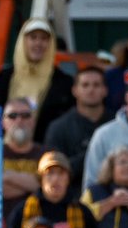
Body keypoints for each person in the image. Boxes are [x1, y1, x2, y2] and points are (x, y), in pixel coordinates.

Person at [0, 18, 75, 142]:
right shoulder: (4, 78)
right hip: (5, 151)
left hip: (45, 152)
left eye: (44, 38)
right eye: (33, 37)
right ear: (22, 41)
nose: (38, 43)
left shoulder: (63, 82)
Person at [44, 66, 114, 198]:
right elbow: (54, 170)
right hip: (71, 200)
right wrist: (93, 154)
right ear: (74, 91)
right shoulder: (58, 127)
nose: (91, 90)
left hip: (115, 197)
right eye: (85, 85)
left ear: (105, 91)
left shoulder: (118, 124)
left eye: (96, 85)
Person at [0, 98, 46, 225]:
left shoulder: (47, 154)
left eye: (25, 115)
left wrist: (6, 176)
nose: (19, 121)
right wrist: (33, 184)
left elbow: (48, 187)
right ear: (3, 122)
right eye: (12, 116)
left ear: (34, 120)